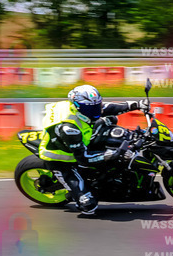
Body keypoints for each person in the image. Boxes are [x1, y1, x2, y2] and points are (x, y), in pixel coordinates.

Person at [38, 85, 147, 215]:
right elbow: (83, 158)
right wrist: (110, 155)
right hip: (61, 157)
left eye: (96, 105)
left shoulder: (81, 109)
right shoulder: (69, 129)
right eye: (90, 108)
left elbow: (106, 108)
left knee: (111, 120)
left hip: (78, 138)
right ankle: (77, 195)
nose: (96, 110)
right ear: (78, 106)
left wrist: (136, 105)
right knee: (88, 206)